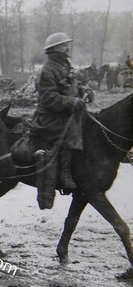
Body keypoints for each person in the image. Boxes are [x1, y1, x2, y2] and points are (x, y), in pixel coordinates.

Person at [32, 32, 87, 190]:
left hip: (67, 111)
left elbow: (70, 87)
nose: (67, 48)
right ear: (55, 48)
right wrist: (72, 102)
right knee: (72, 130)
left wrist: (83, 91)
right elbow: (48, 98)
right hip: (50, 116)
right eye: (64, 45)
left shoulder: (66, 65)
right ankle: (64, 173)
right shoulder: (47, 70)